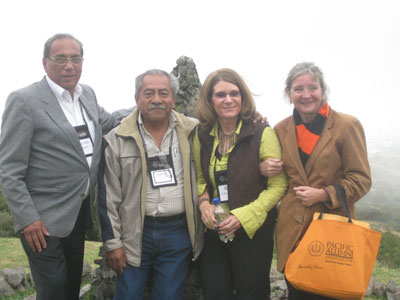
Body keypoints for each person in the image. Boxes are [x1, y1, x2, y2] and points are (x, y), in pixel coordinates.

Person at [0, 33, 125, 300]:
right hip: (41, 222)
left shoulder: (86, 95)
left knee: (69, 288)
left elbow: (109, 121)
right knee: (54, 291)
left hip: (76, 214)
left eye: (76, 58)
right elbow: (9, 169)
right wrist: (27, 219)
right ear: (45, 63)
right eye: (61, 59)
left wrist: (148, 105)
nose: (69, 65)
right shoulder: (24, 101)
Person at [261, 62, 372, 300]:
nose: (306, 94)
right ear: (289, 93)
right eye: (298, 88)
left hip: (332, 233)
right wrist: (263, 167)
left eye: (313, 87)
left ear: (323, 91)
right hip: (293, 234)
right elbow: (274, 172)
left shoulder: (346, 126)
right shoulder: (280, 130)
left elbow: (361, 179)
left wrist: (324, 194)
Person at [98, 69, 204, 300]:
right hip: (134, 232)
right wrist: (113, 243)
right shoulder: (116, 138)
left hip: (178, 232)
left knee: (169, 295)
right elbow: (108, 197)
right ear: (137, 99)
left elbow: (229, 126)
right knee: (128, 294)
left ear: (174, 99)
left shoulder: (194, 131)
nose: (157, 99)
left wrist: (254, 118)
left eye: (163, 93)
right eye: (149, 93)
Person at [193, 68, 287, 300]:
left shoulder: (261, 133)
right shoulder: (202, 135)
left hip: (253, 232)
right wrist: (204, 203)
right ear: (210, 100)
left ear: (243, 97)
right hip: (216, 229)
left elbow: (278, 186)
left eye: (234, 93)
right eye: (220, 95)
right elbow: (199, 177)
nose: (228, 100)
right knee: (215, 292)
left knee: (252, 293)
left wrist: (242, 217)